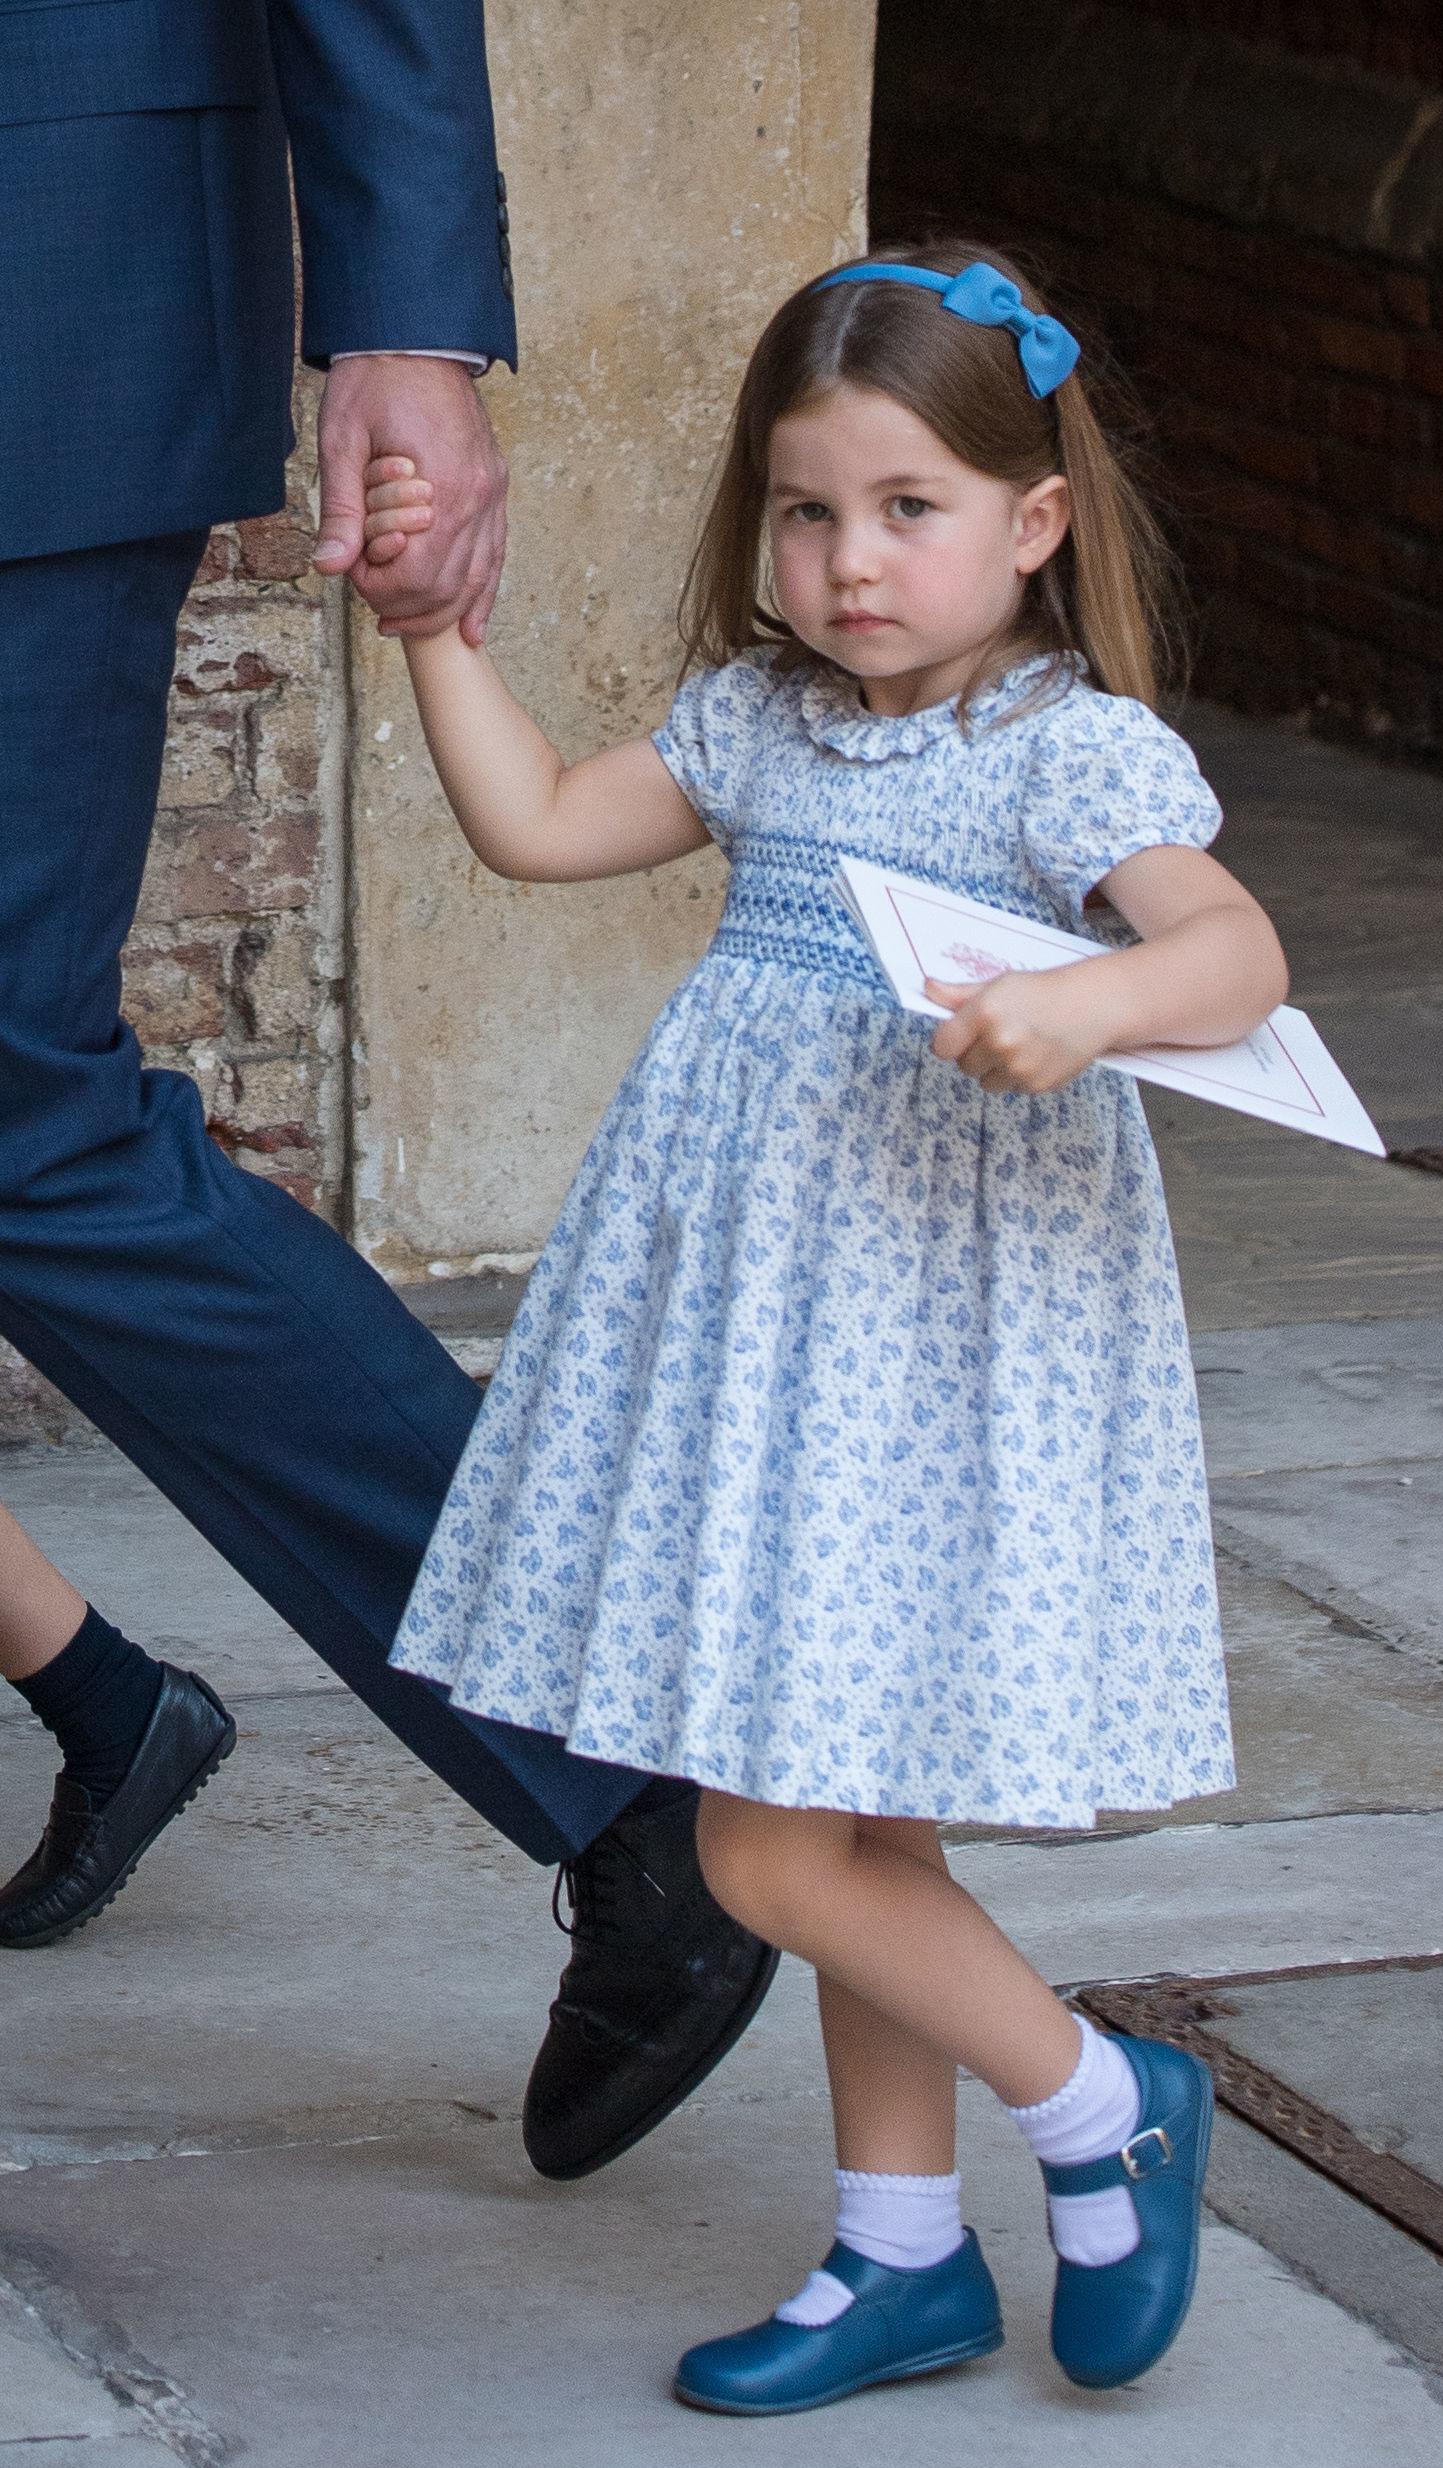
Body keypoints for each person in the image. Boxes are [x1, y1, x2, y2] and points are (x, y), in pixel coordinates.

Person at [361, 241, 1290, 2409]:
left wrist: (1091, 999)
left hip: (934, 1342)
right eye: (807, 511)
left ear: (1032, 522)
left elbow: (1236, 955)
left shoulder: (1064, 754)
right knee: (862, 1818)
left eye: (907, 508)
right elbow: (536, 824)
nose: (851, 562)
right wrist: (432, 635)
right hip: (766, 1336)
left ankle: (1103, 2104)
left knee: (765, 1838)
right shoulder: (762, 723)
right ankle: (901, 2253)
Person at [0, 0, 777, 2178]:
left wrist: (408, 321)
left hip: (39, 270)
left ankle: (628, 1771)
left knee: (18, 1124)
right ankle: (99, 1692)